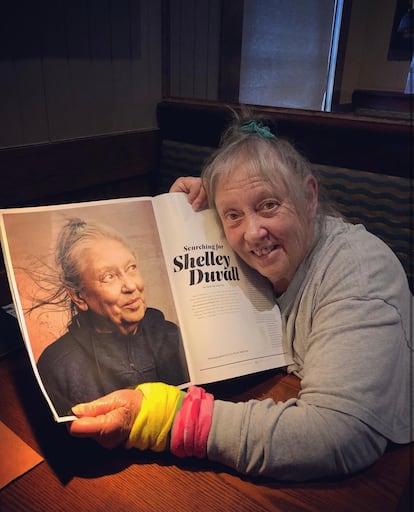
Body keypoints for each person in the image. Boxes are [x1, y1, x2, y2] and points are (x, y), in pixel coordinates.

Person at [68, 112, 413, 481]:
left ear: (309, 196)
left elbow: (338, 435)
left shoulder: (359, 272)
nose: (251, 234)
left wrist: (162, 419)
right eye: (233, 215)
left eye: (268, 205)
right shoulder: (270, 252)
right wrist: (187, 217)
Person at [34, 218, 189, 417]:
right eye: (109, 276)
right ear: (79, 296)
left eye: (131, 268)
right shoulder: (58, 367)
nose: (131, 286)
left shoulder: (172, 336)